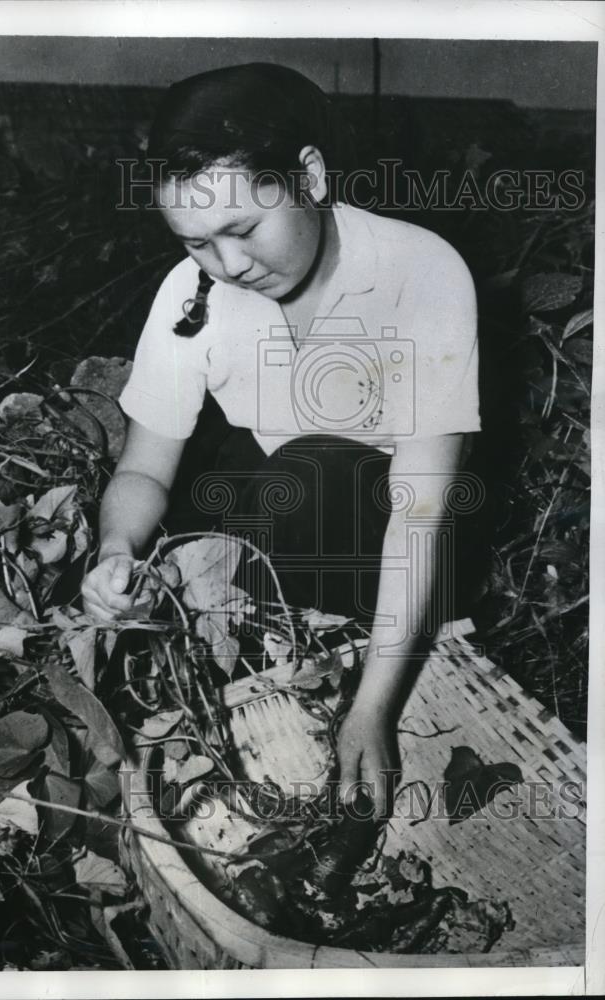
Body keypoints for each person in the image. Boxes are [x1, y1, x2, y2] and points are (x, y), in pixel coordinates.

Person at [81, 63, 483, 819]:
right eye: (196, 243)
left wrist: (372, 710)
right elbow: (142, 467)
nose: (227, 266)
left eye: (242, 230)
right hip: (279, 538)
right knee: (208, 506)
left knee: (311, 466)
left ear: (308, 176)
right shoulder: (189, 293)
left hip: (403, 560)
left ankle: (341, 676)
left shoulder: (420, 271)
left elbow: (421, 510)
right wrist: (114, 552)